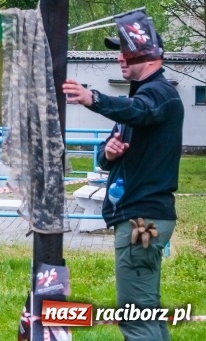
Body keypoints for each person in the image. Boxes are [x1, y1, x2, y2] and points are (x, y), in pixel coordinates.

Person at [62, 26, 183, 341]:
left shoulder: (159, 95)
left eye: (127, 50)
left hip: (142, 221)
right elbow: (104, 154)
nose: (120, 57)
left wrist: (93, 98)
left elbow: (139, 111)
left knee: (136, 318)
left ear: (150, 55)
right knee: (147, 311)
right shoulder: (141, 99)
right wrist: (110, 154)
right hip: (143, 216)